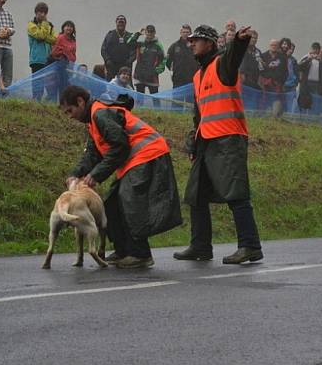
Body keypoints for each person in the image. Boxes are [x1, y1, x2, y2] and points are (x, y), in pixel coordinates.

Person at [60, 85, 182, 269]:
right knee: (111, 203)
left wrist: (96, 175)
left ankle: (140, 254)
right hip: (137, 159)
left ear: (80, 102)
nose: (70, 116)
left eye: (70, 110)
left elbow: (120, 146)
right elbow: (93, 154)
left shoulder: (100, 115)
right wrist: (75, 174)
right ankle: (123, 250)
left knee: (129, 201)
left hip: (149, 154)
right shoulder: (94, 120)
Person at [174, 24, 263, 265]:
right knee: (196, 194)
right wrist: (194, 139)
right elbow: (199, 113)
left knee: (236, 194)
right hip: (206, 141)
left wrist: (240, 41)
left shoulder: (223, 65)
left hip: (228, 138)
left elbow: (234, 56)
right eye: (190, 40)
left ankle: (250, 246)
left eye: (197, 40)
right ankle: (200, 246)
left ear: (210, 44)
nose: (191, 43)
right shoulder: (197, 76)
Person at [27, 1, 56, 100]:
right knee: (37, 83)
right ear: (36, 12)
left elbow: (54, 40)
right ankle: (35, 101)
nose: (42, 14)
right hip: (36, 59)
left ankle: (47, 102)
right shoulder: (31, 25)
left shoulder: (50, 26)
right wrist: (44, 25)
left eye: (45, 12)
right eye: (40, 12)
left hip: (48, 59)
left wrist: (44, 37)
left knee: (48, 84)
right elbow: (40, 36)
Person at [101, 15, 139, 81]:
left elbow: (134, 51)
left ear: (125, 23)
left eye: (122, 22)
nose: (121, 24)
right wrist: (107, 60)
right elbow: (103, 49)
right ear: (116, 23)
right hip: (111, 66)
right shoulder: (110, 34)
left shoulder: (130, 36)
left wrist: (129, 61)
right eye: (119, 22)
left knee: (126, 85)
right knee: (110, 84)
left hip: (125, 67)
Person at [133, 24, 166, 97]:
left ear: (154, 33)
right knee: (140, 99)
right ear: (145, 32)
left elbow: (163, 59)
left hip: (152, 76)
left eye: (151, 32)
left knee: (155, 99)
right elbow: (129, 43)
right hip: (139, 75)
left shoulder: (158, 45)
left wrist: (157, 70)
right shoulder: (140, 43)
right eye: (148, 32)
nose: (150, 34)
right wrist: (138, 34)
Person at [166, 24, 197, 88]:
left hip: (192, 78)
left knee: (191, 97)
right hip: (178, 78)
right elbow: (168, 61)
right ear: (180, 33)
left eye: (187, 32)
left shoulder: (195, 45)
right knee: (177, 98)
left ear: (191, 33)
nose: (185, 34)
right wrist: (174, 71)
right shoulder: (174, 46)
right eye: (184, 32)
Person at [50, 20, 77, 95]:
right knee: (62, 85)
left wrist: (72, 61)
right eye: (67, 26)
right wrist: (63, 54)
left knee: (68, 86)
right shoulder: (60, 37)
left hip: (70, 66)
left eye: (71, 27)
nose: (69, 28)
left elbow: (74, 53)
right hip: (61, 65)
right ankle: (61, 103)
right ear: (63, 28)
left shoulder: (73, 40)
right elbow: (54, 52)